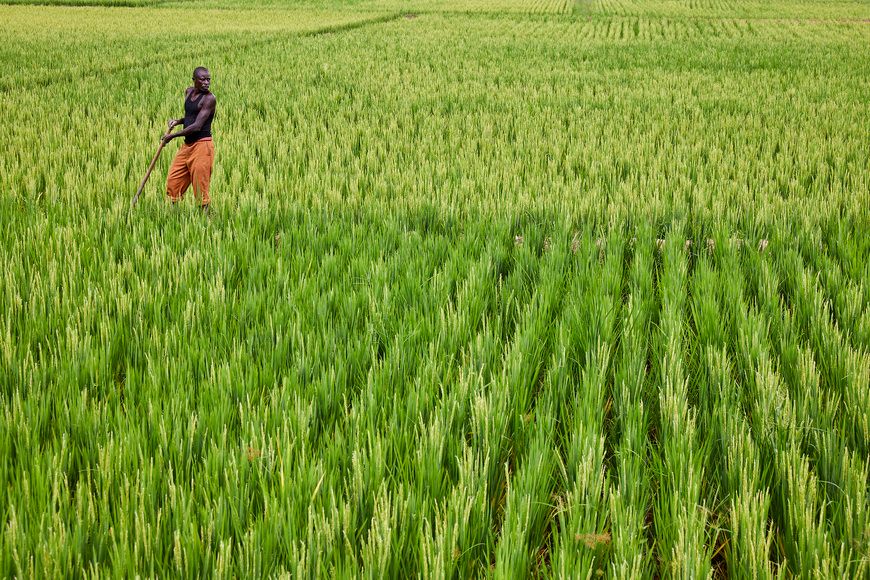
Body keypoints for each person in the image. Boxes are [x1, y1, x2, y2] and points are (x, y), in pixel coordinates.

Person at [163, 67, 216, 212]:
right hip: (187, 146)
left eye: (208, 79)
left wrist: (172, 136)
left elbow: (197, 126)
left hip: (202, 146)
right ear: (194, 80)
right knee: (174, 181)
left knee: (200, 186)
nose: (206, 82)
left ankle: (205, 218)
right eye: (203, 79)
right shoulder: (189, 92)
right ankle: (172, 216)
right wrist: (177, 121)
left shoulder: (209, 99)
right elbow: (190, 117)